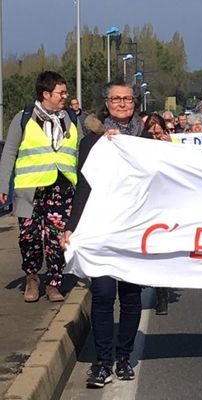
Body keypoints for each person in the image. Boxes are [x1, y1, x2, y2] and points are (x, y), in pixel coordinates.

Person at [61, 79, 150, 388]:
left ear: (135, 103)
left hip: (135, 228)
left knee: (130, 294)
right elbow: (83, 189)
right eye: (116, 99)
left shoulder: (148, 140)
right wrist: (71, 226)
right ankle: (102, 361)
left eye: (127, 99)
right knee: (101, 295)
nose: (122, 103)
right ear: (107, 103)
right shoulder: (91, 141)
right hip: (101, 228)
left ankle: (124, 357)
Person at [0, 71, 81, 303]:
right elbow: (9, 151)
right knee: (29, 237)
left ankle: (54, 283)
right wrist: (3, 183)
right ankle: (32, 277)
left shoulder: (71, 118)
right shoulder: (24, 117)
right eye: (61, 92)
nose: (65, 96)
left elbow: (81, 150)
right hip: (29, 189)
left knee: (58, 238)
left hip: (62, 187)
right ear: (46, 94)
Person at [144, 113, 173, 315]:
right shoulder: (141, 145)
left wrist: (170, 146)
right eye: (151, 129)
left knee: (163, 251)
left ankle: (162, 293)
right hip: (148, 204)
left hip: (168, 204)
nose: (155, 133)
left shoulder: (171, 143)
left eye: (158, 128)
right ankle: (158, 290)